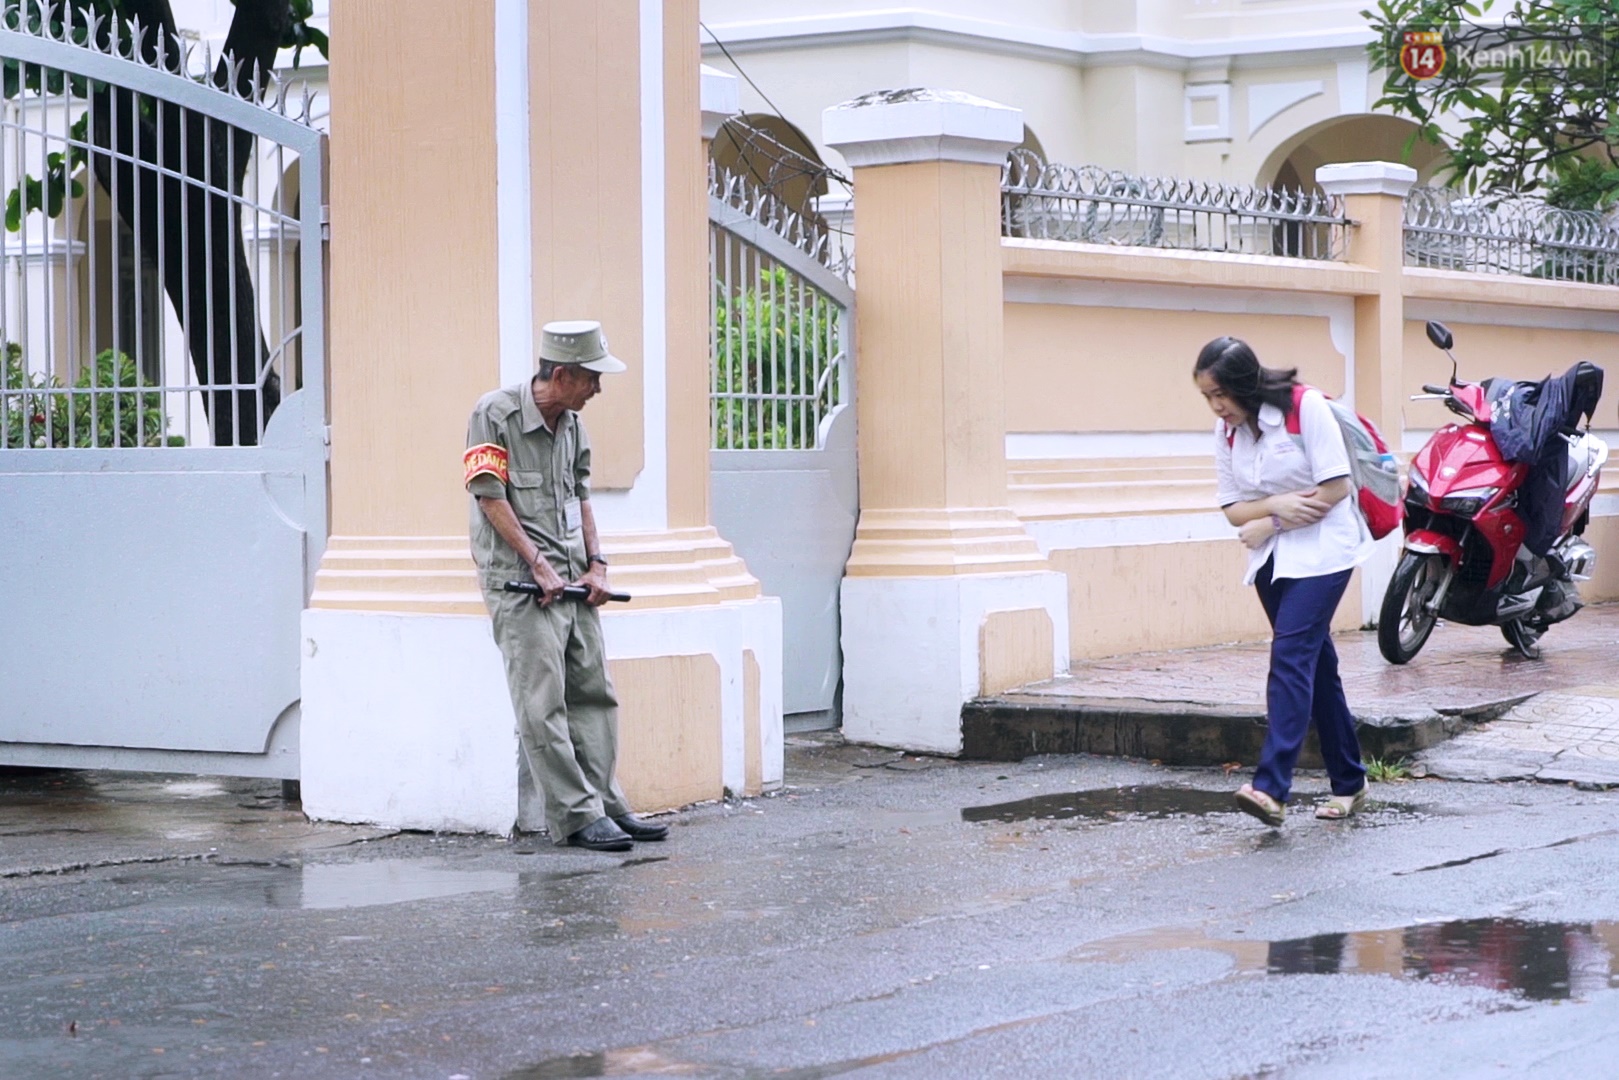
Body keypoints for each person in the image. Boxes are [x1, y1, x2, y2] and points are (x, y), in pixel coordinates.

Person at [463, 319, 668, 852]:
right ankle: (577, 816)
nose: (598, 388)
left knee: (594, 694)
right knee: (543, 702)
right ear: (561, 375)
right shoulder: (494, 414)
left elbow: (580, 497)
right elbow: (489, 497)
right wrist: (536, 564)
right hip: (522, 584)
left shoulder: (573, 426)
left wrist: (597, 565)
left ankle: (606, 804)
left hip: (573, 580)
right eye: (592, 378)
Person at [1194, 336, 1373, 826]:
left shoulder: (1304, 407)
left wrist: (1270, 521)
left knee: (1291, 656)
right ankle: (1351, 782)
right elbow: (1233, 509)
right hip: (1272, 559)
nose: (1216, 406)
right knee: (1316, 668)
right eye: (1208, 397)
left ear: (1245, 384)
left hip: (1325, 551)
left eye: (1221, 394)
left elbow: (1335, 487)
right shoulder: (1226, 432)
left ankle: (1271, 788)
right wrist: (1274, 508)